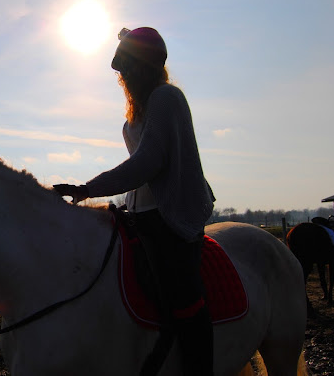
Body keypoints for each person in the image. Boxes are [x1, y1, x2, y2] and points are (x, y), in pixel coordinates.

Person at [53, 27, 215, 375]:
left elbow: (147, 163)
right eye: (121, 67)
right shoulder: (137, 112)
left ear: (148, 66)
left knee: (183, 297)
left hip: (173, 217)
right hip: (139, 213)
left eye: (129, 66)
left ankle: (201, 367)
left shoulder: (166, 98)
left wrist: (88, 188)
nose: (123, 75)